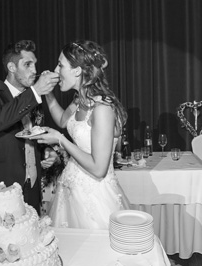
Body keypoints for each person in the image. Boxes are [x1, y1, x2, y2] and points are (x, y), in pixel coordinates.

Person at [31, 40, 129, 229]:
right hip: (71, 188)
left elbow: (98, 169)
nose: (55, 70)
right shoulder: (80, 100)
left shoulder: (102, 108)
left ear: (77, 71)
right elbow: (61, 120)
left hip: (95, 196)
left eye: (60, 65)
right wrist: (48, 94)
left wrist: (60, 140)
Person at [0, 40, 60, 215]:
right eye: (27, 64)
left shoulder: (32, 101)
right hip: (2, 188)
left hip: (32, 188)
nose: (35, 71)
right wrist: (35, 92)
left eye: (35, 64)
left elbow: (32, 135)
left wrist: (46, 150)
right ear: (12, 67)